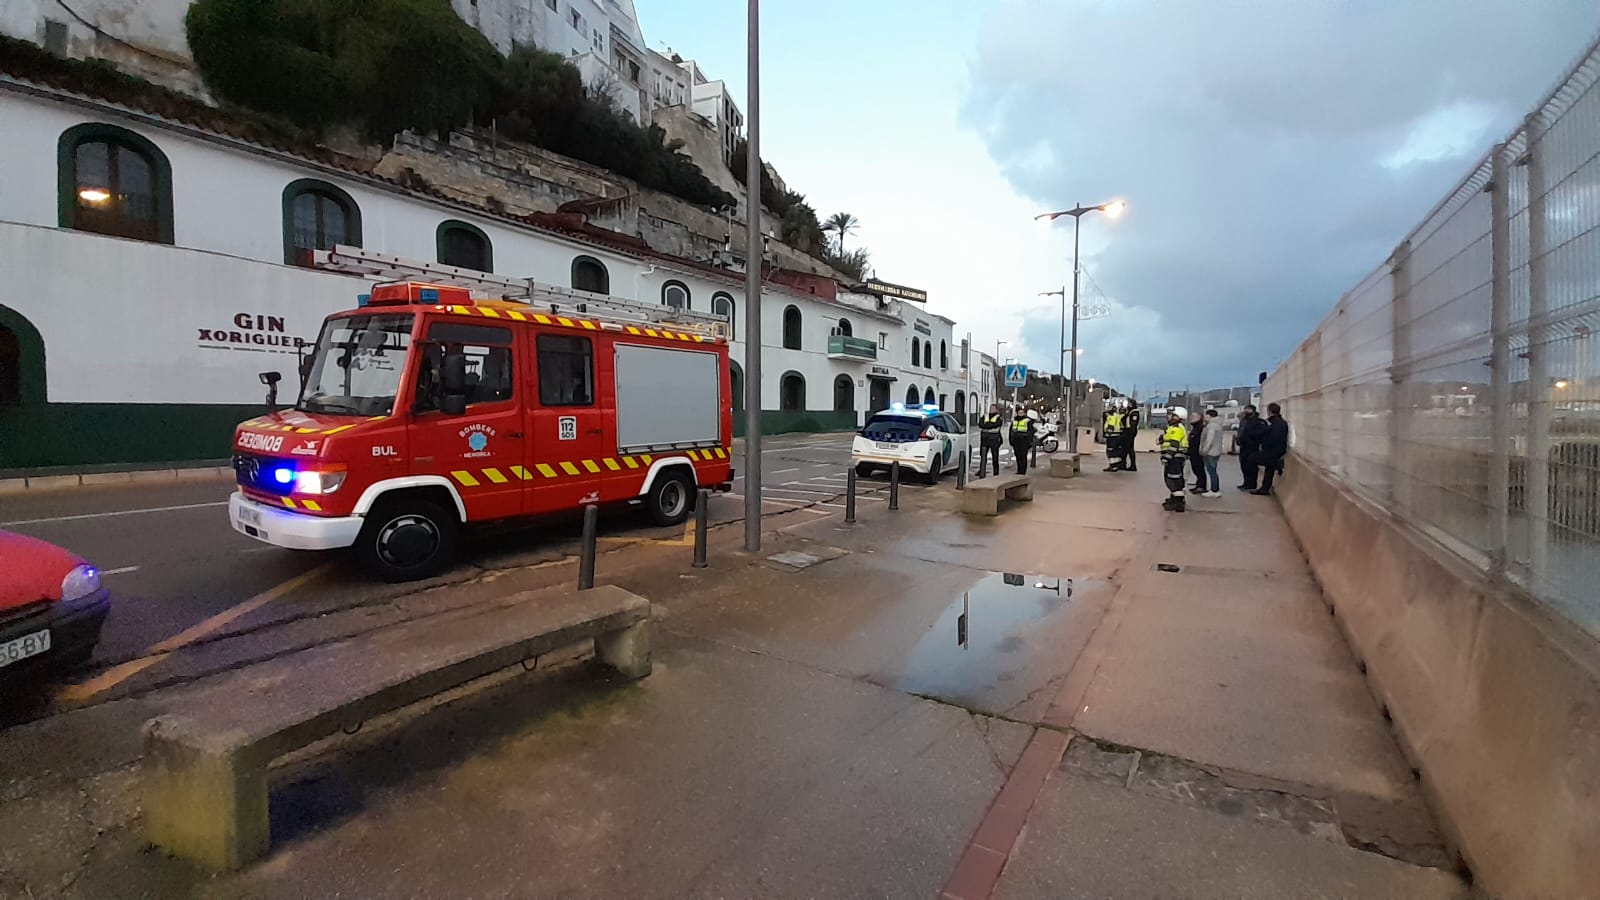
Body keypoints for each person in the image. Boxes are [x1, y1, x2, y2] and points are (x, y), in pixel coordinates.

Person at [1252, 403, 1290, 495]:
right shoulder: (1281, 422)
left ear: (1269, 411)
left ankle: (1262, 486)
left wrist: (1264, 443)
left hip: (1273, 450)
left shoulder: (1275, 423)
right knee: (1269, 469)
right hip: (1278, 449)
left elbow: (1273, 437)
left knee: (1251, 459)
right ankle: (1265, 488)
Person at [1159, 409, 1189, 511]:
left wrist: (1166, 457)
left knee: (1173, 479)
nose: (1168, 416)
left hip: (1175, 457)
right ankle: (1175, 498)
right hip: (1175, 457)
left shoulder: (1176, 428)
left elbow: (1174, 445)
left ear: (1177, 416)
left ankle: (1178, 503)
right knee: (1172, 479)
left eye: (1171, 415)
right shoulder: (1172, 427)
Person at [1236, 404, 1268, 490]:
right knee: (1243, 465)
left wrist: (1250, 435)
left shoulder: (1258, 421)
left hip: (1252, 447)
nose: (1246, 411)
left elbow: (1261, 433)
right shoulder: (1244, 421)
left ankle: (1252, 483)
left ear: (1253, 411)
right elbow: (1241, 431)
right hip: (1243, 446)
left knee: (1251, 466)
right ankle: (1246, 482)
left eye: (1248, 410)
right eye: (1245, 409)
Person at [1199, 408, 1225, 496]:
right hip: (1216, 451)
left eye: (1206, 415)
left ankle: (1214, 490)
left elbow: (1209, 439)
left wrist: (1204, 450)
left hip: (1210, 452)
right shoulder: (1218, 425)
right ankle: (1215, 489)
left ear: (1210, 416)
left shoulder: (1211, 426)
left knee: (1212, 471)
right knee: (1213, 470)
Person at [976, 403, 1004, 478]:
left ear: (996, 410)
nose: (991, 410)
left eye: (993, 408)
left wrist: (987, 425)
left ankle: (996, 472)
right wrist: (989, 425)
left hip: (994, 439)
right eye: (991, 408)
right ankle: (981, 470)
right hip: (984, 439)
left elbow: (996, 425)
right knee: (983, 455)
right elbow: (980, 424)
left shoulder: (999, 418)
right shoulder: (985, 416)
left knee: (995, 456)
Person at [1009, 406, 1037, 475]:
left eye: (1022, 412)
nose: (1020, 414)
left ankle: (1023, 472)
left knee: (1023, 458)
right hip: (1016, 442)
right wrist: (1011, 440)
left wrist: (1028, 442)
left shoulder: (1027, 421)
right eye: (1019, 412)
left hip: (1024, 442)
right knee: (1018, 457)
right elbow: (1011, 431)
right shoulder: (1014, 421)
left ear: (1024, 413)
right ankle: (1019, 470)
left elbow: (1031, 432)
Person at [1187, 410, 1207, 494]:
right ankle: (1199, 484)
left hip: (1197, 452)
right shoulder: (1195, 428)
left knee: (1199, 469)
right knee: (1195, 469)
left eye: (1194, 416)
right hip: (1192, 452)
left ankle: (1201, 486)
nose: (1191, 418)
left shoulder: (1200, 428)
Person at [1102, 404, 1125, 472]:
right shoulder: (1117, 416)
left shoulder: (1111, 417)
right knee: (1115, 451)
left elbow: (1110, 427)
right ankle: (1115, 465)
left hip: (1111, 436)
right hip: (1117, 436)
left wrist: (1106, 434)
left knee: (1110, 451)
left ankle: (1113, 466)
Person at [1121, 403, 1141, 471]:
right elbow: (1124, 419)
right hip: (1127, 431)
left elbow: (1133, 424)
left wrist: (1130, 433)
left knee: (1130, 448)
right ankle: (1123, 464)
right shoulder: (1129, 412)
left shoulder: (1134, 412)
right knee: (1125, 448)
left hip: (1130, 432)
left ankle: (1133, 465)